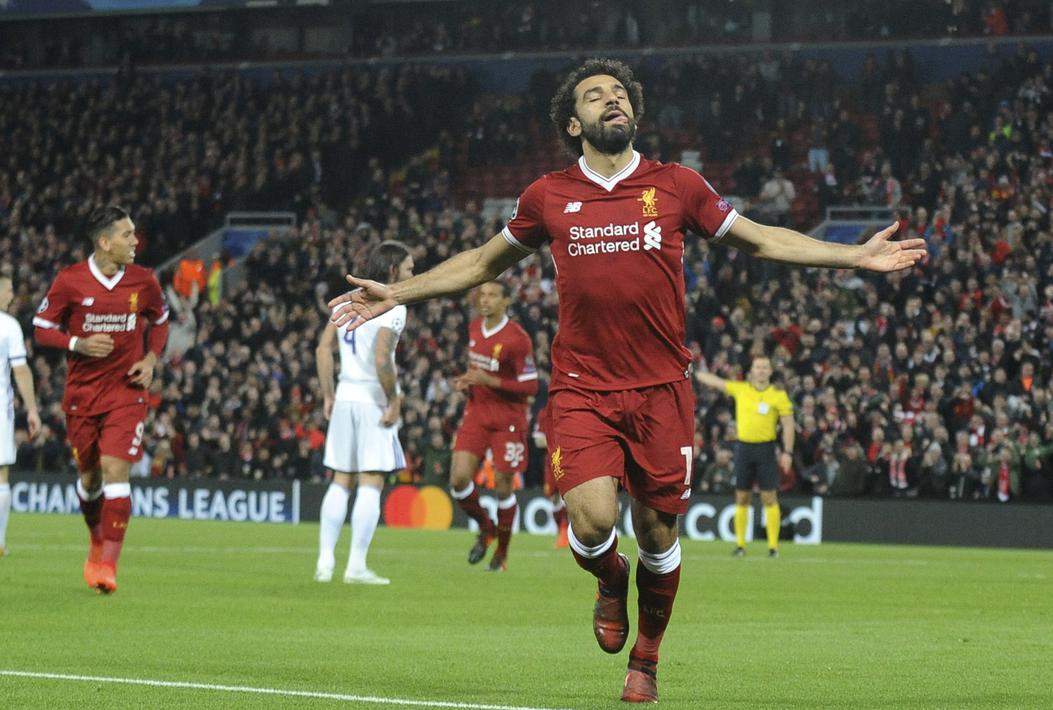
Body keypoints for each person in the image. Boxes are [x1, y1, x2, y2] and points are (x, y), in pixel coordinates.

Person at [327, 58, 924, 703]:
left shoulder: (676, 185)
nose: (611, 100)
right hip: (582, 389)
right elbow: (480, 263)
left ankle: (647, 658)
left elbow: (759, 240)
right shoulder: (548, 196)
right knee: (590, 524)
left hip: (663, 390)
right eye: (595, 95)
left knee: (660, 536)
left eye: (619, 93)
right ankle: (611, 580)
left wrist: (854, 255)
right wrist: (397, 292)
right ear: (573, 123)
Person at [32, 205, 169, 593]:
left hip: (127, 392)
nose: (136, 241)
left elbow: (160, 320)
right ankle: (96, 541)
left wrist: (151, 359)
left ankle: (108, 565)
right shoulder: (70, 280)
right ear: (105, 243)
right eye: (128, 235)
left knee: (115, 469)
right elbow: (41, 327)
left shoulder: (144, 281)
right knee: (90, 478)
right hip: (82, 396)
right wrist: (77, 343)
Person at [314, 241, 414, 586]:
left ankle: (324, 562)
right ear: (393, 271)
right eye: (409, 269)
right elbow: (382, 358)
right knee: (371, 481)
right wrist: (394, 400)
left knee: (341, 480)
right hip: (372, 400)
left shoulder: (349, 300)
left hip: (345, 395)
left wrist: (329, 394)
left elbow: (323, 349)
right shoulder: (393, 305)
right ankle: (356, 566)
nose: (413, 275)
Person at [449, 280, 538, 572]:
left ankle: (501, 553)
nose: (485, 300)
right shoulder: (474, 327)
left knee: (502, 487)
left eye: (492, 295)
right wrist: (468, 382)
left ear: (506, 301)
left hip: (508, 420)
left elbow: (531, 386)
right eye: (482, 295)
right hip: (476, 413)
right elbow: (479, 370)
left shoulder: (518, 339)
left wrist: (490, 381)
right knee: (458, 480)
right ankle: (486, 527)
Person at [694, 356, 795, 558]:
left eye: (765, 367)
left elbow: (788, 424)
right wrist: (693, 371)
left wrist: (787, 451)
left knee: (769, 497)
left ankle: (773, 547)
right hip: (744, 448)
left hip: (766, 448)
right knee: (742, 497)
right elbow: (717, 382)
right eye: (758, 367)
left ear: (770, 371)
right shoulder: (741, 389)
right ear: (751, 371)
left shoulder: (778, 395)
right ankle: (740, 545)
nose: (761, 370)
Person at [1, 276, 43, 556]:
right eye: (8, 289)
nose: (12, 295)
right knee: (1, 473)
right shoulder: (8, 326)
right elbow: (20, 370)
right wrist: (32, 409)